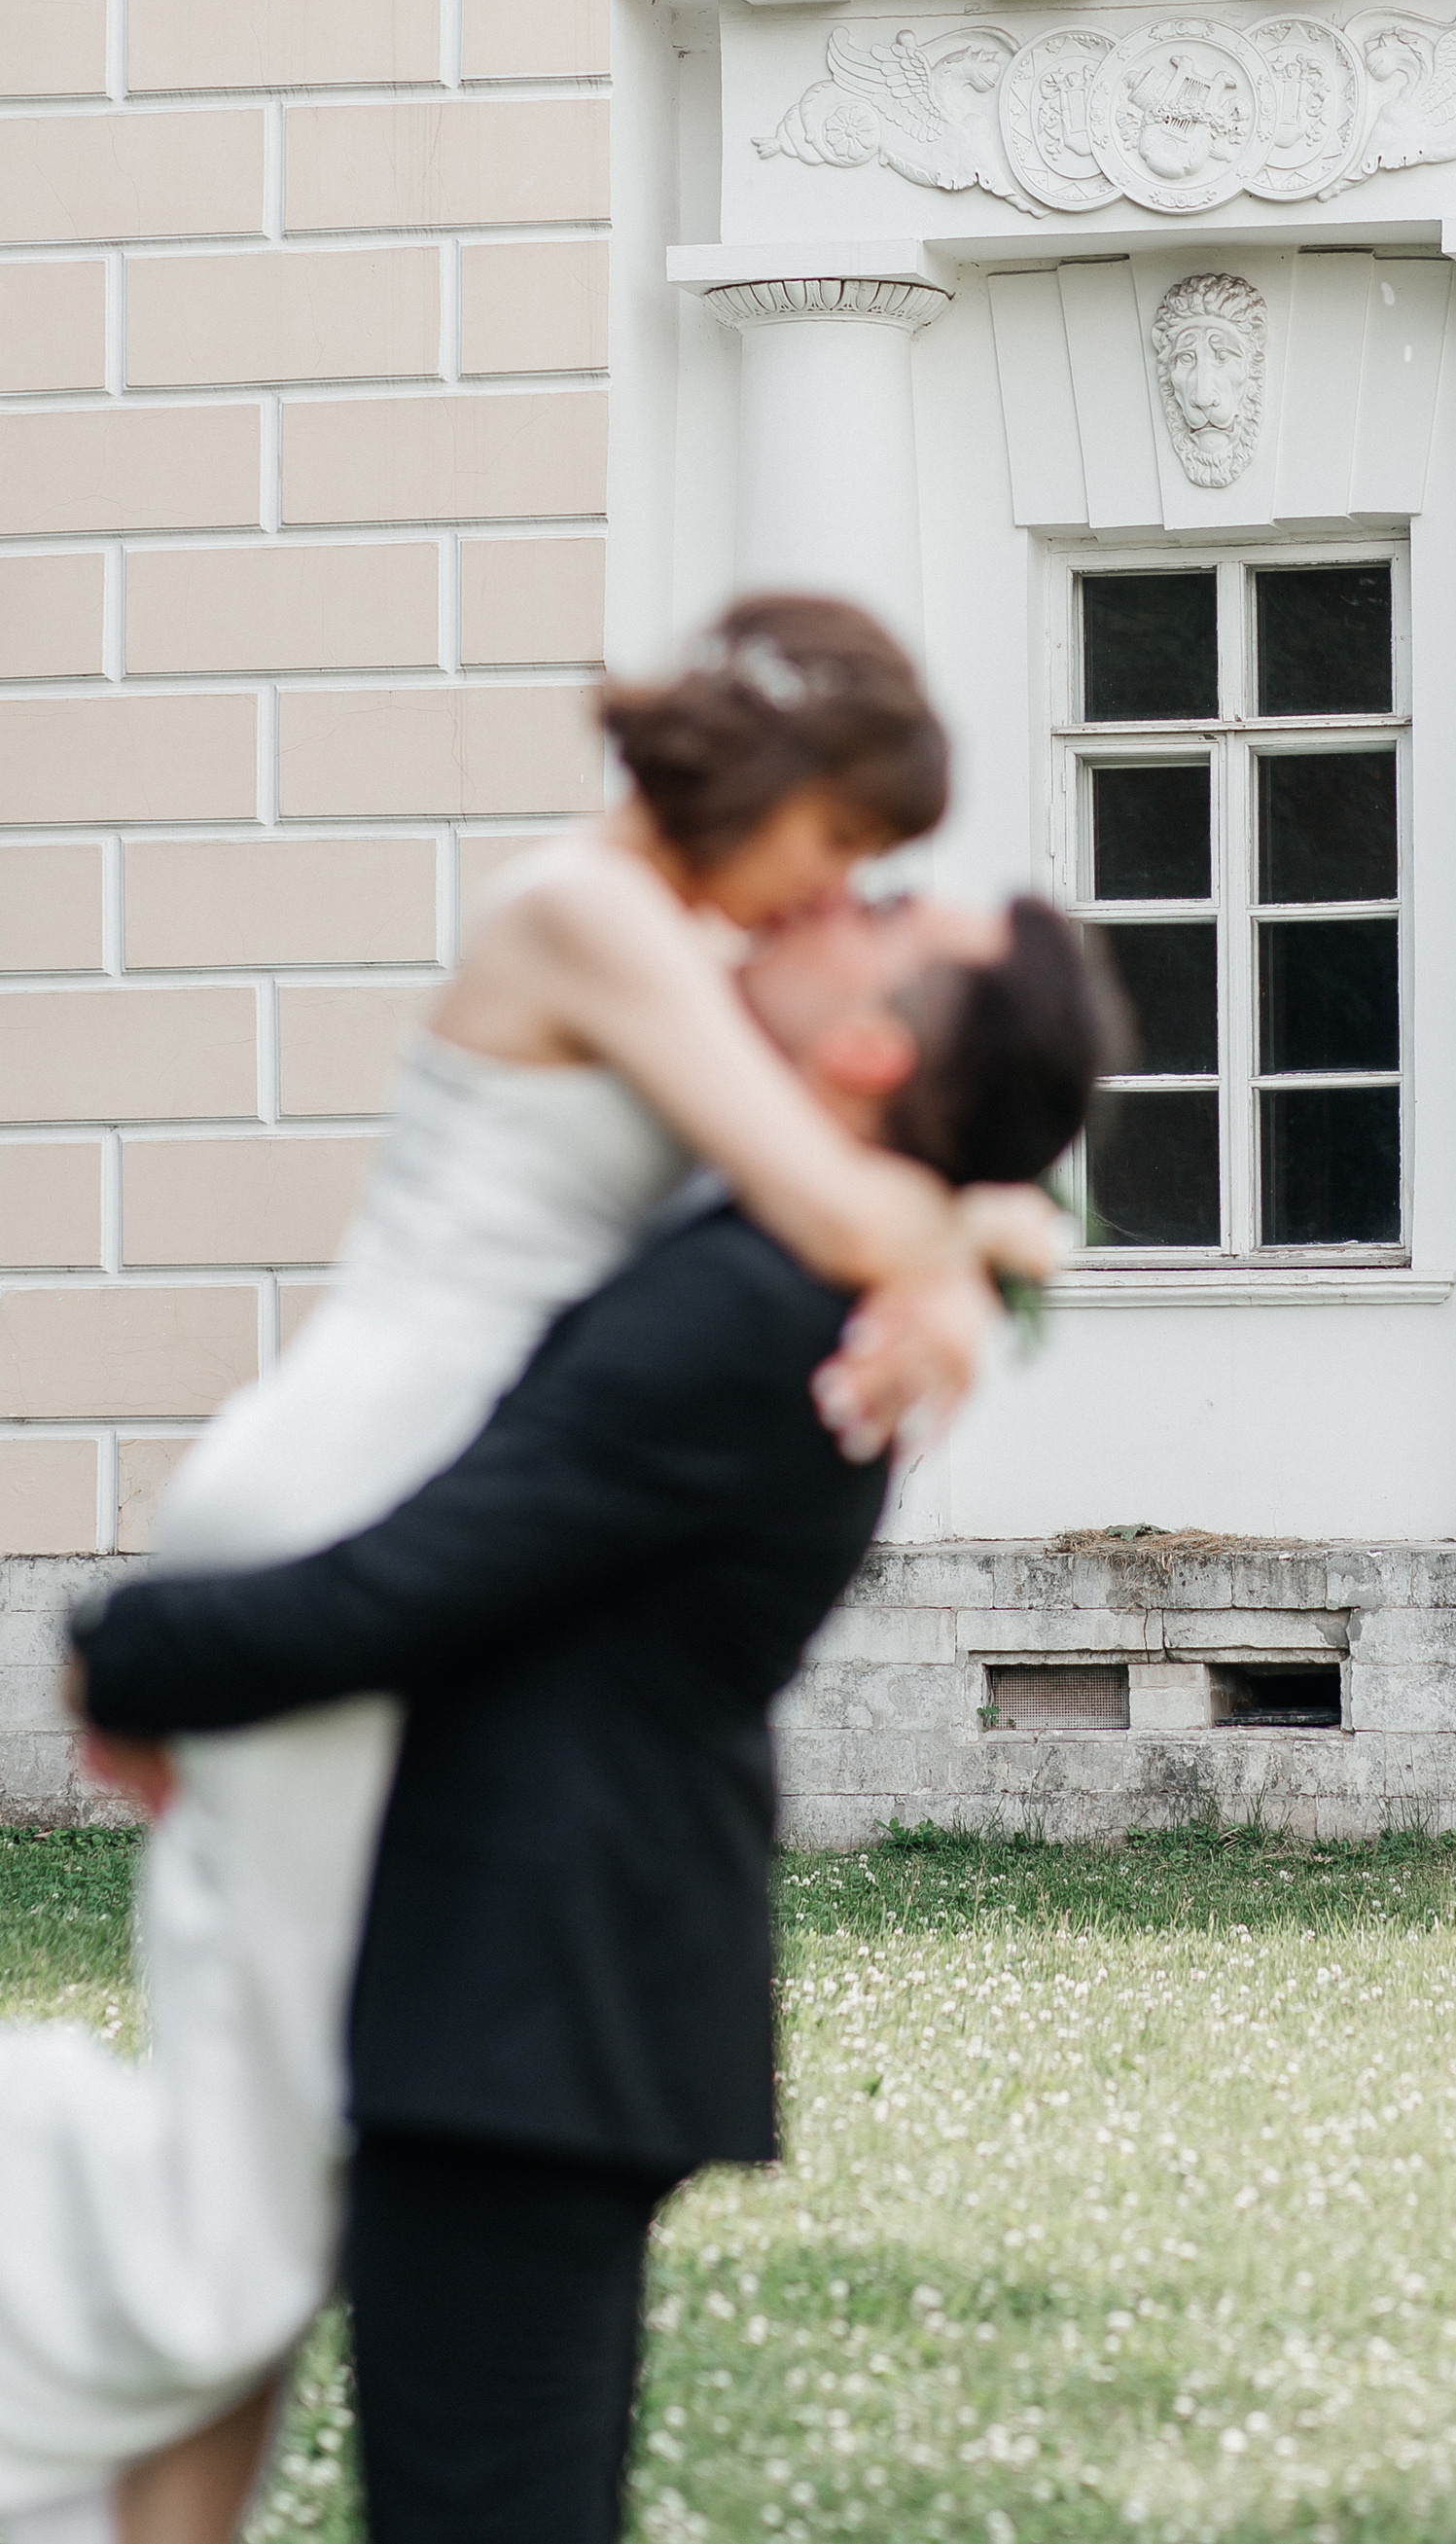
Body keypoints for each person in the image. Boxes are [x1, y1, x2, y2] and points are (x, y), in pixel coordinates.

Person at [0, 595, 1061, 2544]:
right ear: (770, 783)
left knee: (276, 2158)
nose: (828, 893)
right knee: (251, 2174)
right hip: (349, 1494)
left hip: (400, 1495)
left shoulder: (685, 957)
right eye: (840, 843)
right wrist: (964, 1260)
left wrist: (976, 1249)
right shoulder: (591, 916)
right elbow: (827, 1182)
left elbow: (857, 1140)